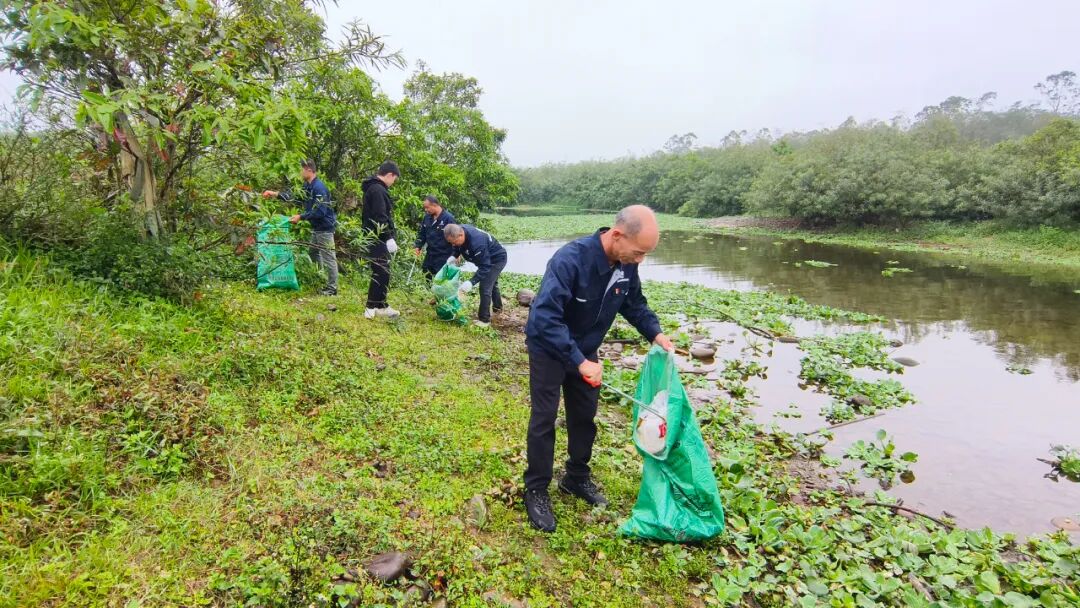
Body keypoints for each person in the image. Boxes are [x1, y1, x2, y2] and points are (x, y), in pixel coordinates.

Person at [521, 205, 674, 532]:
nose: (640, 259)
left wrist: (656, 333)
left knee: (583, 416)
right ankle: (536, 489)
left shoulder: (625, 265)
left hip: (585, 349)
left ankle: (576, 477)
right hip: (549, 346)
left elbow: (634, 304)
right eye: (638, 251)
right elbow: (545, 317)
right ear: (617, 235)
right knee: (544, 418)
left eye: (646, 254)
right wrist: (579, 361)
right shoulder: (570, 260)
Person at [262, 159, 338, 296]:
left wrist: (301, 217)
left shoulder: (319, 188)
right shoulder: (307, 186)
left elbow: (321, 212)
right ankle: (321, 278)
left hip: (325, 228)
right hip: (316, 228)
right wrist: (274, 194)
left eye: (301, 169)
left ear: (309, 170)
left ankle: (332, 288)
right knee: (313, 253)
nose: (300, 172)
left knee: (329, 258)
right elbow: (294, 197)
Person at [443, 223, 507, 327]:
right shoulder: (459, 231)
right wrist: (454, 256)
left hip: (496, 259)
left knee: (485, 286)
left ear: (460, 235)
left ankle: (484, 320)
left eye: (454, 242)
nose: (453, 245)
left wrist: (471, 282)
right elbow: (457, 247)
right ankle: (498, 308)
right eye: (451, 243)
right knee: (492, 283)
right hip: (486, 258)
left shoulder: (477, 243)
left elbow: (485, 267)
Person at [361, 161, 401, 319]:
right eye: (394, 179)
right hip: (377, 236)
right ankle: (371, 306)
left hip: (375, 236)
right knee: (380, 270)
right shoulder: (378, 189)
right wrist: (388, 237)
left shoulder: (374, 187)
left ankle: (381, 304)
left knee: (384, 270)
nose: (393, 183)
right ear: (390, 175)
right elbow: (380, 216)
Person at [413, 196, 457, 279]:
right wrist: (417, 246)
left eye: (427, 207)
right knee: (426, 276)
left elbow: (455, 237)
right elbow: (422, 234)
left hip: (444, 256)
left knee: (441, 281)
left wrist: (456, 254)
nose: (426, 210)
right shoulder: (427, 217)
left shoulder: (448, 218)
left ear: (434, 205)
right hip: (430, 254)